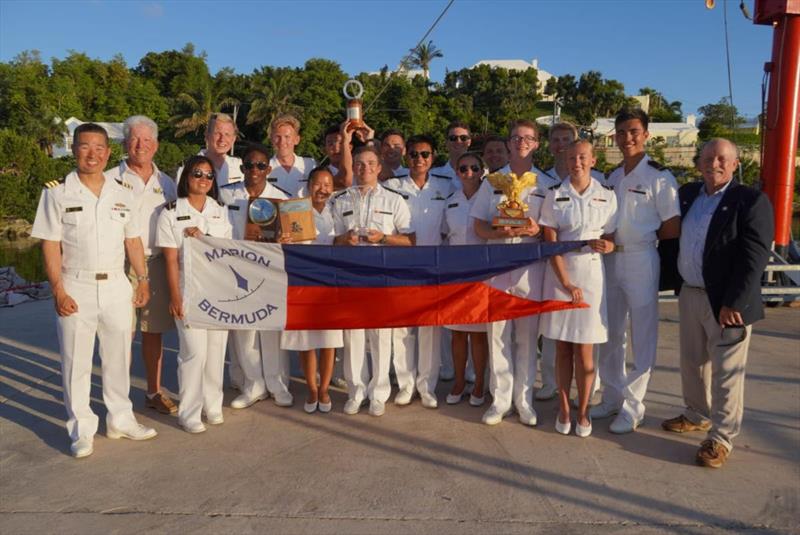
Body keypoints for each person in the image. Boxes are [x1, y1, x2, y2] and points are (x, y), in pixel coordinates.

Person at [31, 123, 157, 458]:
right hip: (76, 284)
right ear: (73, 149)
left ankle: (120, 419)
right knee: (77, 361)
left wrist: (142, 279)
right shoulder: (57, 194)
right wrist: (58, 289)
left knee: (119, 358)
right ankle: (81, 429)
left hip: (117, 284)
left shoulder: (122, 192)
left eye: (99, 147)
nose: (93, 154)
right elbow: (50, 245)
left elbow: (132, 240)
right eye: (85, 146)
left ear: (108, 152)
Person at [661, 138, 773, 468]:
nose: (715, 163)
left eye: (722, 158)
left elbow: (755, 257)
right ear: (699, 163)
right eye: (708, 157)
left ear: (735, 164)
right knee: (692, 362)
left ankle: (721, 438)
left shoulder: (750, 200)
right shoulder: (688, 195)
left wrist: (734, 300)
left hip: (727, 302)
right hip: (691, 293)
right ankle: (696, 414)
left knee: (726, 372)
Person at [593, 108, 681, 434]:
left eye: (633, 131)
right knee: (611, 332)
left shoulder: (659, 176)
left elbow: (672, 226)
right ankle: (612, 396)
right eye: (621, 132)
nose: (627, 138)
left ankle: (633, 406)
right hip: (611, 260)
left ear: (645, 134)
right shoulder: (612, 176)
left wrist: (640, 237)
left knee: (642, 334)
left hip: (642, 258)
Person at [470, 119, 555, 426]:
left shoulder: (546, 184)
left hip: (530, 267)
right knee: (498, 336)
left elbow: (553, 230)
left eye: (528, 138)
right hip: (498, 264)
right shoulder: (492, 181)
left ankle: (524, 400)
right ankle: (501, 399)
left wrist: (537, 230)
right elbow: (478, 224)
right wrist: (497, 234)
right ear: (507, 143)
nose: (521, 142)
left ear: (536, 144)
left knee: (527, 338)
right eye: (516, 138)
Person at [539, 140, 617, 437]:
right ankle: (564, 408)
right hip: (561, 276)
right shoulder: (554, 194)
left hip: (592, 277)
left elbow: (610, 237)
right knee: (562, 348)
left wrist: (608, 245)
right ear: (565, 160)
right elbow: (551, 242)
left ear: (593, 160)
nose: (577, 162)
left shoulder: (607, 195)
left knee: (586, 351)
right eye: (572, 157)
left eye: (583, 157)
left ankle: (583, 411)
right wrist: (566, 283)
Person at [332, 146, 414, 416]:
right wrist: (345, 239)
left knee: (381, 336)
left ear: (379, 168)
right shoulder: (340, 200)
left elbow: (411, 240)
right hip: (351, 275)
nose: (364, 168)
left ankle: (379, 393)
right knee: (353, 336)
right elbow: (331, 240)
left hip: (382, 276)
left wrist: (385, 238)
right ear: (352, 168)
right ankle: (356, 391)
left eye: (370, 163)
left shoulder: (395, 200)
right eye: (359, 163)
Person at [105, 115, 177, 415]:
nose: (140, 145)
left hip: (157, 263)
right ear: (124, 143)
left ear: (156, 145)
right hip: (119, 264)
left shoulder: (168, 183)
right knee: (121, 333)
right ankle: (117, 400)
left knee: (152, 332)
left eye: (147, 140)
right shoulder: (108, 179)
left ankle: (152, 391)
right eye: (134, 139)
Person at [156, 155, 233, 433]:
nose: (203, 179)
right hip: (189, 291)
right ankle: (189, 411)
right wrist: (175, 296)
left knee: (215, 352)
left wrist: (204, 238)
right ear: (186, 176)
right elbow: (169, 259)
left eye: (208, 175)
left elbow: (226, 251)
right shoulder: (170, 212)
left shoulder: (219, 210)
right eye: (197, 173)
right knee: (193, 352)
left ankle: (212, 404)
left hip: (218, 290)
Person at [217, 143, 294, 409]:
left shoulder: (282, 197)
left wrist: (287, 237)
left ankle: (276, 383)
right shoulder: (226, 195)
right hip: (237, 272)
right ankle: (253, 385)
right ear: (242, 168)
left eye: (261, 165)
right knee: (244, 330)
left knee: (270, 330)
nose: (254, 170)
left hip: (270, 271)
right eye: (249, 165)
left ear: (268, 169)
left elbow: (295, 234)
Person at [537, 121, 604, 402]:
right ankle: (551, 383)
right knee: (555, 333)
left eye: (568, 140)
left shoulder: (602, 185)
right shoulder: (543, 180)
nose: (562, 145)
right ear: (552, 146)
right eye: (557, 140)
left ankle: (590, 388)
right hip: (554, 263)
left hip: (590, 267)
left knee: (590, 331)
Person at [385, 135, 454, 409]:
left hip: (433, 264)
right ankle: (405, 384)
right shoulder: (392, 186)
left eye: (424, 154)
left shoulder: (446, 186)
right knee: (401, 329)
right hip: (401, 264)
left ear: (432, 157)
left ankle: (426, 386)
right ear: (406, 157)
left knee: (429, 329)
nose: (419, 159)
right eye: (413, 154)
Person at [279, 167, 344, 413]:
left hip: (329, 281)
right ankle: (312, 388)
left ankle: (325, 388)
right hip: (301, 282)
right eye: (318, 183)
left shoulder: (337, 210)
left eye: (328, 184)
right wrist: (282, 239)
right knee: (306, 340)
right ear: (309, 185)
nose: (323, 189)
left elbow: (341, 241)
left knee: (328, 340)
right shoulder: (295, 209)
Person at [442, 152, 488, 406]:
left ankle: (479, 383)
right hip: (457, 273)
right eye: (463, 169)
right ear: (457, 173)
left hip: (483, 273)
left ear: (482, 171)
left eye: (474, 168)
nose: (468, 173)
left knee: (479, 334)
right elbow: (445, 235)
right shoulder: (450, 201)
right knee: (457, 333)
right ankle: (459, 381)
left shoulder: (492, 199)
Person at [268, 114, 317, 196]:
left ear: (296, 140)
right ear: (272, 139)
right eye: (277, 136)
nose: (282, 142)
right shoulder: (263, 168)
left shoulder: (310, 165)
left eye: (287, 137)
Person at [201, 113, 243, 187]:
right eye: (217, 133)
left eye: (227, 134)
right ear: (207, 135)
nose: (222, 139)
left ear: (234, 139)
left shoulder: (242, 167)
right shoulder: (189, 167)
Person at [431, 120, 472, 189]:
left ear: (469, 142)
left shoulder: (483, 175)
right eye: (453, 138)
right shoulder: (432, 175)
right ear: (446, 142)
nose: (458, 141)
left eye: (463, 138)